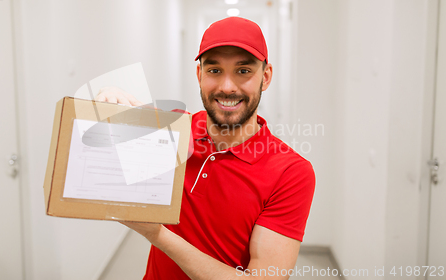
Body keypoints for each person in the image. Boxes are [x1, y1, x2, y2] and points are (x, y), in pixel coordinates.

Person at [95, 17, 315, 279]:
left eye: (243, 71)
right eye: (214, 70)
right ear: (200, 75)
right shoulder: (174, 130)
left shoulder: (290, 173)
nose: (227, 87)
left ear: (265, 77)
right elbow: (105, 157)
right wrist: (108, 98)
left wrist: (157, 234)